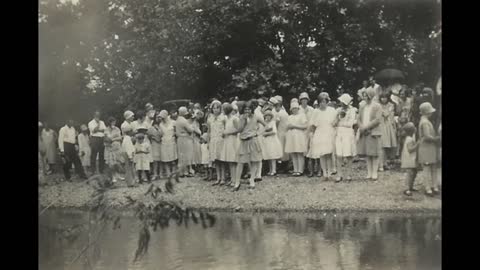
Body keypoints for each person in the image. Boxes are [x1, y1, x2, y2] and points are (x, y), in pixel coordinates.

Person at [232, 100, 265, 191]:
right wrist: (244, 120)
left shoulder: (256, 116)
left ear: (252, 109)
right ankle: (237, 183)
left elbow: (266, 125)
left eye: (249, 109)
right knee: (241, 162)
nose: (247, 111)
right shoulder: (241, 117)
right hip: (244, 141)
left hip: (253, 140)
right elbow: (239, 130)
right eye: (246, 109)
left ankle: (252, 180)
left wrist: (259, 132)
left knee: (254, 161)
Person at [308, 92, 338, 180]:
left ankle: (329, 172)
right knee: (322, 154)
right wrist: (312, 135)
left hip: (329, 133)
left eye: (324, 102)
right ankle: (324, 173)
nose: (323, 104)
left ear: (327, 102)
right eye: (321, 102)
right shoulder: (316, 111)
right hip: (320, 133)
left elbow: (336, 120)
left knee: (328, 153)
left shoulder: (331, 110)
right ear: (318, 102)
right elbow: (312, 125)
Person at [357, 87, 382, 181]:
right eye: (363, 95)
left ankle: (375, 172)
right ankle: (369, 172)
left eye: (366, 95)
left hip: (373, 131)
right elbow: (358, 118)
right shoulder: (362, 106)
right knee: (367, 153)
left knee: (374, 153)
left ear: (370, 96)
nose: (364, 97)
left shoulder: (377, 106)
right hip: (364, 132)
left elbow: (377, 119)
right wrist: (361, 127)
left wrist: (366, 127)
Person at [418, 102, 440, 196]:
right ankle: (428, 188)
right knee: (427, 168)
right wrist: (436, 139)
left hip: (429, 147)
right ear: (427, 112)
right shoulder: (425, 122)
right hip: (426, 147)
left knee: (433, 167)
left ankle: (434, 186)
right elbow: (426, 136)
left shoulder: (424, 120)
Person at [334, 94, 357, 182]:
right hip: (339, 132)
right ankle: (339, 174)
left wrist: (343, 120)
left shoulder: (352, 110)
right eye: (341, 102)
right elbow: (334, 123)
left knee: (348, 154)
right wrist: (338, 117)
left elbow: (351, 123)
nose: (342, 104)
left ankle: (348, 174)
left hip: (348, 132)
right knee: (339, 154)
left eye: (343, 102)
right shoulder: (338, 110)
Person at [284, 100, 308, 176]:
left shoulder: (302, 115)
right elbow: (286, 126)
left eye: (296, 108)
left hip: (299, 136)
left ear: (298, 108)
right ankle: (295, 169)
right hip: (291, 136)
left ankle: (300, 170)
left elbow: (305, 126)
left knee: (299, 152)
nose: (294, 110)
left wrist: (294, 126)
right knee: (293, 153)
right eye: (293, 108)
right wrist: (288, 127)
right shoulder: (289, 117)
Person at [219, 103, 239, 186]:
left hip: (233, 141)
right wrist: (224, 133)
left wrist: (228, 132)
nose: (222, 111)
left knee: (233, 161)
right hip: (228, 140)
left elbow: (238, 130)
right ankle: (232, 179)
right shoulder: (226, 119)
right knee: (230, 161)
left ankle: (235, 180)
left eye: (223, 110)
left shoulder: (235, 119)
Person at [208, 100, 227, 185]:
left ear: (220, 108)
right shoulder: (210, 118)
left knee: (221, 159)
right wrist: (209, 142)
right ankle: (218, 178)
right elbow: (209, 131)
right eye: (214, 108)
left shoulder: (223, 117)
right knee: (215, 160)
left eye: (217, 108)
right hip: (213, 140)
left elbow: (226, 128)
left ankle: (223, 178)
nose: (215, 110)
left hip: (221, 140)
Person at [400, 122, 421, 196]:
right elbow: (410, 149)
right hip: (409, 159)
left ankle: (411, 186)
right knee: (410, 174)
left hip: (411, 159)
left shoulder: (409, 138)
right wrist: (417, 144)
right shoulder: (409, 139)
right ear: (411, 131)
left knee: (414, 173)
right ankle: (407, 189)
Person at [378, 93, 398, 171]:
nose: (384, 99)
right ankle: (381, 165)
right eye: (382, 97)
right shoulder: (378, 105)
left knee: (387, 146)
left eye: (385, 97)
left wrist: (394, 127)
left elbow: (388, 115)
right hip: (381, 126)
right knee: (381, 146)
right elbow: (383, 114)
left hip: (389, 126)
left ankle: (385, 163)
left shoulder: (391, 105)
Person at [299, 92, 315, 176]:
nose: (304, 101)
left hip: (309, 131)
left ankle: (311, 168)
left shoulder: (311, 109)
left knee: (309, 148)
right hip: (300, 131)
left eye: (305, 99)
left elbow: (313, 120)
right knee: (302, 149)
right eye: (302, 100)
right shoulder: (298, 109)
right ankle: (303, 167)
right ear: (300, 100)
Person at [261, 110, 283, 176]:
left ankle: (274, 170)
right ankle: (270, 170)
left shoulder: (273, 122)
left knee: (272, 155)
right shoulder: (264, 123)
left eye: (269, 116)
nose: (268, 117)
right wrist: (264, 133)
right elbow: (262, 132)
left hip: (272, 140)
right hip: (267, 141)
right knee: (268, 155)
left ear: (271, 117)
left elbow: (274, 132)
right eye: (266, 116)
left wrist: (266, 133)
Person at [175, 106, 195, 177]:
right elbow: (190, 130)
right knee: (186, 154)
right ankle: (186, 171)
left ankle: (182, 171)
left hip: (179, 138)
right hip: (185, 139)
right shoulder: (184, 120)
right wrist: (192, 127)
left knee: (181, 155)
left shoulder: (177, 120)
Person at [104, 117, 124, 183]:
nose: (114, 123)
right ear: (109, 122)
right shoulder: (106, 130)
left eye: (114, 122)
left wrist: (113, 139)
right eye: (112, 122)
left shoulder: (117, 129)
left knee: (117, 162)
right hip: (109, 148)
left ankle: (118, 175)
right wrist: (110, 140)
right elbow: (106, 139)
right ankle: (113, 176)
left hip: (116, 147)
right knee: (111, 163)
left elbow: (120, 137)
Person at [273, 96, 290, 171]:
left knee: (280, 149)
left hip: (280, 132)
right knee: (284, 149)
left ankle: (281, 166)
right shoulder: (285, 112)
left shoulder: (279, 113)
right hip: (285, 132)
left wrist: (274, 130)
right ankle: (285, 165)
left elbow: (277, 123)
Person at [158, 110, 177, 177]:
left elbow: (176, 132)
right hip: (164, 142)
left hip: (172, 142)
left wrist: (174, 135)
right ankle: (168, 172)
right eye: (161, 117)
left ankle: (174, 172)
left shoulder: (173, 122)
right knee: (165, 159)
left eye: (163, 117)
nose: (162, 118)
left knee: (173, 159)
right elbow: (160, 134)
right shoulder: (160, 124)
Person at [121, 121, 136, 187]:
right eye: (131, 131)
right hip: (128, 155)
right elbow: (128, 149)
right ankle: (131, 183)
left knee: (128, 168)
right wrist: (130, 157)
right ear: (129, 132)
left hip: (126, 154)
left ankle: (130, 182)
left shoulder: (125, 138)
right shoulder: (128, 139)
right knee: (130, 169)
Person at [148, 113, 163, 180]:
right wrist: (153, 139)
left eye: (159, 117)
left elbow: (162, 134)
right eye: (157, 117)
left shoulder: (161, 126)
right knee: (155, 160)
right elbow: (149, 135)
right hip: (154, 144)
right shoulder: (151, 127)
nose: (158, 119)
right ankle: (155, 173)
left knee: (161, 159)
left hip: (161, 143)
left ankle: (160, 173)